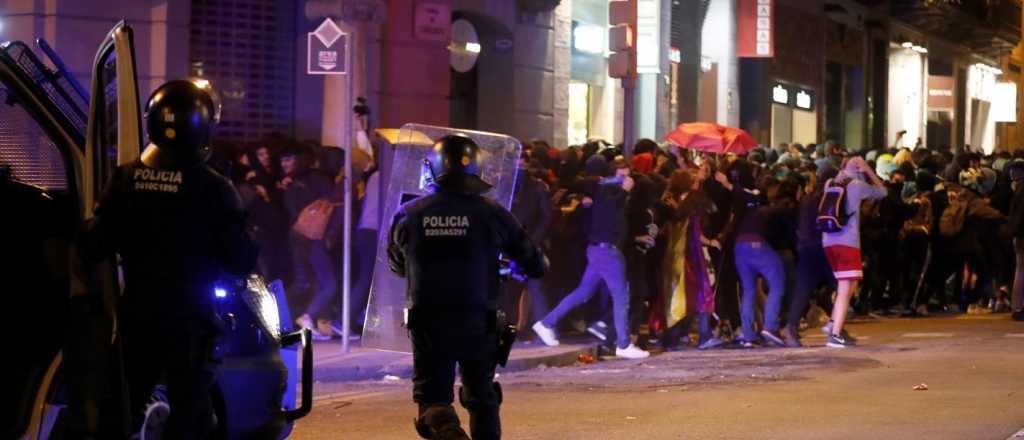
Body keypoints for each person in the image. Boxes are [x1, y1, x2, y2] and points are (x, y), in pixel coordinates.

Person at [70, 80, 257, 438]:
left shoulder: (126, 179)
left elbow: (94, 243)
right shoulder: (214, 187)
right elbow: (241, 260)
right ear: (204, 127)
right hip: (190, 320)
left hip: (136, 316)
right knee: (192, 416)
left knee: (119, 410)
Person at [388, 134, 547, 440]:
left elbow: (396, 266)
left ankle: (448, 431)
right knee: (482, 398)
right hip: (478, 319)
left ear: (432, 168)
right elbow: (534, 264)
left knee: (433, 402)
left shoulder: (408, 214)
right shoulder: (492, 212)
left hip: (428, 322)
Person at [532, 160, 652, 359]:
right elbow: (608, 209)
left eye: (628, 175)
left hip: (600, 250)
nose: (627, 179)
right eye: (622, 175)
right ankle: (623, 344)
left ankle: (546, 323)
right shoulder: (606, 191)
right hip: (606, 251)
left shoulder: (607, 192)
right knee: (621, 298)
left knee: (583, 293)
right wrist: (622, 190)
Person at [822, 156, 887, 348]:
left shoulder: (830, 182)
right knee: (845, 287)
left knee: (847, 285)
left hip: (828, 239)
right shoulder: (857, 185)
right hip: (847, 241)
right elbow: (882, 192)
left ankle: (834, 324)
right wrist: (869, 170)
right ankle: (834, 335)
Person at [280, 145, 339, 340]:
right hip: (316, 236)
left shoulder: (295, 181)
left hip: (298, 234)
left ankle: (304, 319)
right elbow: (330, 209)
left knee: (311, 281)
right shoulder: (324, 181)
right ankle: (305, 318)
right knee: (323, 283)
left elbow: (290, 208)